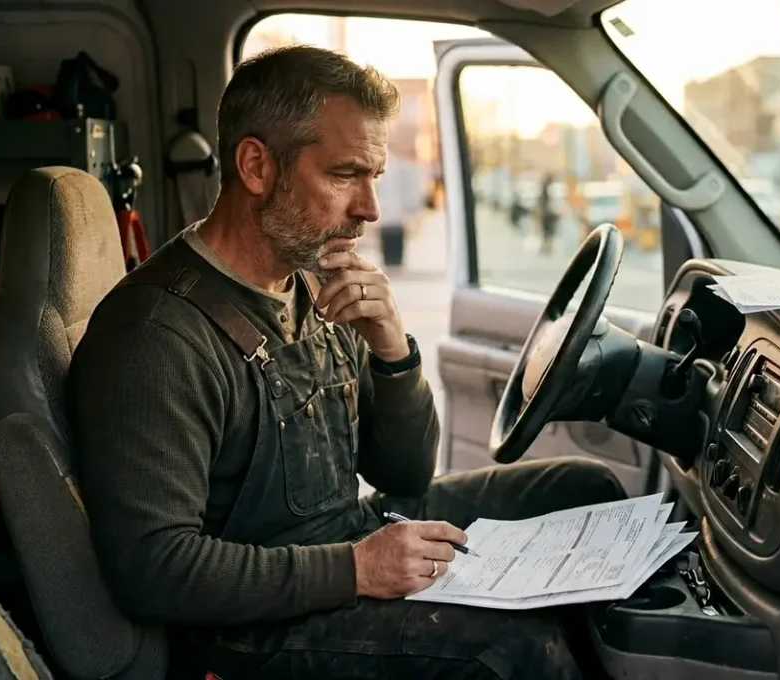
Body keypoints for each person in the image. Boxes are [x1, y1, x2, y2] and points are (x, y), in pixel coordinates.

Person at [67, 45, 627, 680]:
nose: (371, 209)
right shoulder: (156, 337)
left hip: (344, 537)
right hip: (248, 631)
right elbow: (155, 569)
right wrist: (359, 569)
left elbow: (403, 472)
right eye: (344, 175)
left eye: (374, 177)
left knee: (585, 494)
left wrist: (392, 349)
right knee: (516, 650)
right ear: (256, 165)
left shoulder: (314, 281)